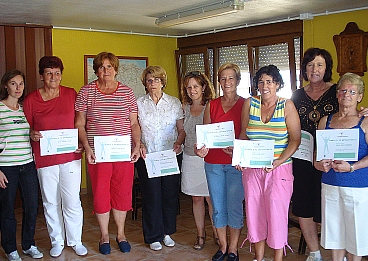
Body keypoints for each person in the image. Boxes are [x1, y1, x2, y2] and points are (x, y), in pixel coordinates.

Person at [75, 52, 141, 255]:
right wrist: (87, 148)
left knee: (122, 193)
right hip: (97, 154)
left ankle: (121, 234)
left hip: (123, 154)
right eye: (102, 67)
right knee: (101, 194)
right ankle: (104, 235)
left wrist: (137, 145)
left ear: (115, 69)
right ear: (96, 70)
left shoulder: (127, 92)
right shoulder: (86, 92)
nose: (106, 71)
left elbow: (134, 123)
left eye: (109, 67)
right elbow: (79, 123)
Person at [23, 56, 87, 258]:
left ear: (61, 75)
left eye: (57, 73)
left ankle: (75, 241)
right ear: (42, 75)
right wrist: (32, 133)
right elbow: (27, 128)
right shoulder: (31, 99)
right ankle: (57, 241)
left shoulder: (70, 94)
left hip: (70, 157)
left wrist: (80, 143)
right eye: (49, 73)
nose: (53, 77)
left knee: (72, 201)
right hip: (45, 159)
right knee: (50, 202)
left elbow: (78, 122)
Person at [239, 65, 301, 261]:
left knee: (276, 215)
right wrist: (240, 157)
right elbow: (243, 135)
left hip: (279, 169)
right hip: (252, 170)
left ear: (277, 84)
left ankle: (277, 258)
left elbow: (295, 140)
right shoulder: (250, 104)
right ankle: (259, 257)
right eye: (261, 82)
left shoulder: (287, 105)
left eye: (269, 82)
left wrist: (279, 161)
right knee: (254, 212)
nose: (264, 86)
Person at [290, 48, 338, 261]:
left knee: (331, 207)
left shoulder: (338, 91)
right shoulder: (297, 95)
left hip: (331, 160)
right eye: (310, 65)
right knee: (303, 206)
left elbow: (350, 112)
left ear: (326, 67)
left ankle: (338, 251)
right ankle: (315, 252)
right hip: (302, 160)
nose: (314, 69)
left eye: (319, 64)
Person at [315, 73, 368, 261]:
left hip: (357, 186)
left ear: (359, 96)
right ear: (337, 94)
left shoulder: (366, 122)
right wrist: (321, 164)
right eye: (343, 90)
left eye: (352, 91)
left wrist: (352, 167)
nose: (347, 94)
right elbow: (317, 157)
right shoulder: (325, 121)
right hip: (330, 185)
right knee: (334, 235)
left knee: (355, 236)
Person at [195, 63, 245, 261]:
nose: (227, 82)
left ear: (238, 80)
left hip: (236, 163)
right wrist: (200, 148)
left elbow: (247, 133)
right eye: (223, 78)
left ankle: (233, 249)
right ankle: (222, 246)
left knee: (234, 206)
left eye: (231, 78)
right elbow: (205, 133)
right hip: (213, 162)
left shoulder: (246, 103)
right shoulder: (212, 105)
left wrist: (238, 148)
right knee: (217, 206)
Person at [135, 65, 185, 251]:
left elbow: (181, 129)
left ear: (163, 82)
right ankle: (153, 235)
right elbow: (136, 127)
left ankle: (167, 232)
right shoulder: (139, 103)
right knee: (151, 196)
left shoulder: (174, 103)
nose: (153, 83)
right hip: (147, 157)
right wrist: (139, 143)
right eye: (149, 80)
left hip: (170, 156)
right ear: (145, 84)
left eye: (156, 79)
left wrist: (179, 142)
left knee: (169, 196)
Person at [0, 70, 43, 261]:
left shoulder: (26, 108)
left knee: (32, 207)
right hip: (6, 167)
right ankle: (10, 248)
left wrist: (33, 134)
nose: (18, 88)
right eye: (13, 83)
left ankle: (28, 244)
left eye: (21, 84)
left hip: (27, 165)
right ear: (5, 86)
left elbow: (30, 133)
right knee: (7, 209)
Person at [180, 71, 218, 250]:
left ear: (203, 87)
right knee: (196, 199)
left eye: (195, 86)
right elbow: (182, 132)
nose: (192, 90)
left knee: (211, 199)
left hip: (208, 158)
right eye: (188, 87)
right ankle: (200, 234)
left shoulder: (211, 106)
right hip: (189, 157)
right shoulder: (184, 107)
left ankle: (217, 234)